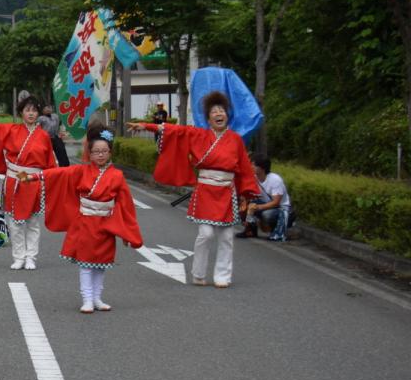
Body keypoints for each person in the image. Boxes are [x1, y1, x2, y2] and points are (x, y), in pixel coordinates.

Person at [129, 90, 261, 288]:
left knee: (226, 236)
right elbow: (175, 130)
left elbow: (244, 169)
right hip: (206, 190)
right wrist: (146, 126)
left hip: (226, 191)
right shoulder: (198, 134)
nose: (219, 114)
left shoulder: (235, 140)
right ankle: (198, 273)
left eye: (222, 111)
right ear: (208, 118)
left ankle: (223, 275)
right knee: (206, 234)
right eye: (214, 111)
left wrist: (246, 193)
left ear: (227, 115)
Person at [18, 125, 143, 313]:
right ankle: (86, 299)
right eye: (96, 152)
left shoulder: (117, 175)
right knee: (85, 264)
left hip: (106, 225)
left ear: (110, 153)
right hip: (85, 223)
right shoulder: (81, 171)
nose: (100, 155)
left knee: (101, 264)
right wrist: (32, 177)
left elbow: (125, 204)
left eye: (104, 151)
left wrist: (127, 232)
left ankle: (97, 298)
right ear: (89, 154)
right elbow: (57, 173)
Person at [0, 94, 59, 270]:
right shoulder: (11, 130)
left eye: (34, 110)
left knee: (33, 222)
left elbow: (50, 163)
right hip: (14, 180)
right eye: (27, 110)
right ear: (21, 113)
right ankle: (18, 256)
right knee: (14, 221)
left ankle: (31, 257)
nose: (31, 113)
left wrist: (50, 182)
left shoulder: (43, 136)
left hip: (34, 182)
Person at [240, 157, 291, 242]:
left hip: (280, 208)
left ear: (262, 168)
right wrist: (245, 203)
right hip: (266, 203)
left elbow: (276, 202)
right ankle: (250, 231)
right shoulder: (254, 177)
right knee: (244, 205)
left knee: (266, 214)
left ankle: (276, 230)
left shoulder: (275, 180)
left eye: (254, 165)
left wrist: (258, 207)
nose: (251, 166)